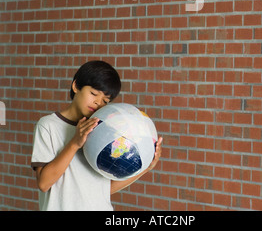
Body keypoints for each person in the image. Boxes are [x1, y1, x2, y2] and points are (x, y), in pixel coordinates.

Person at [31, 60, 163, 211]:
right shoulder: (48, 125)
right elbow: (43, 183)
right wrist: (75, 142)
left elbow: (102, 191)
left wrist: (146, 167)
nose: (97, 103)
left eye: (105, 101)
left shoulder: (104, 130)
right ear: (75, 86)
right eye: (93, 93)